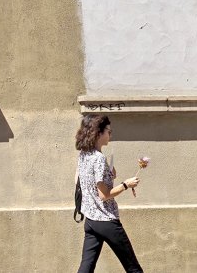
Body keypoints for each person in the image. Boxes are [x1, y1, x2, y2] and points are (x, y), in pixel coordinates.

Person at [75, 114, 144, 273]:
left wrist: (108, 173)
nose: (110, 134)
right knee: (133, 268)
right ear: (98, 133)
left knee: (86, 268)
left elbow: (79, 181)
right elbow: (104, 195)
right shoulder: (98, 158)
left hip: (91, 221)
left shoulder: (84, 154)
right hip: (106, 220)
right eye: (108, 131)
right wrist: (126, 184)